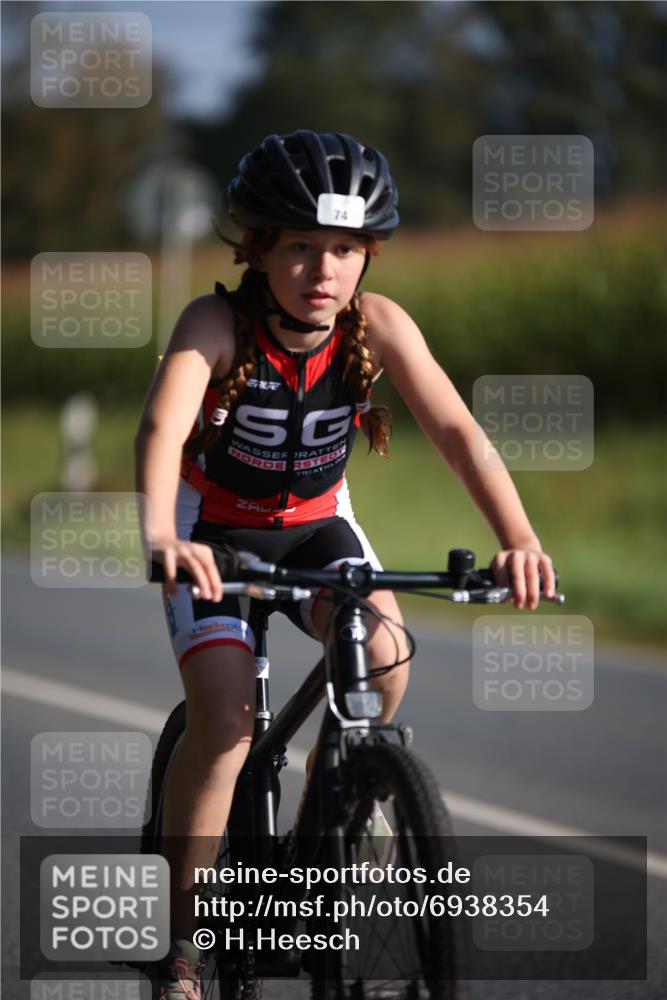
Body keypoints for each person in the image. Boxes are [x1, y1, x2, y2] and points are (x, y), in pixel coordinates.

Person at [135, 129, 556, 998]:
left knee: (386, 662)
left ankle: (316, 830)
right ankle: (180, 944)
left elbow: (457, 433)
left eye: (344, 248)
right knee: (223, 721)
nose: (321, 268)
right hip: (210, 529)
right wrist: (160, 536)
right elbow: (162, 427)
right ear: (256, 249)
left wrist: (518, 537)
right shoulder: (215, 323)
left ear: (368, 254)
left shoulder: (379, 325)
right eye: (298, 245)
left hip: (318, 525)